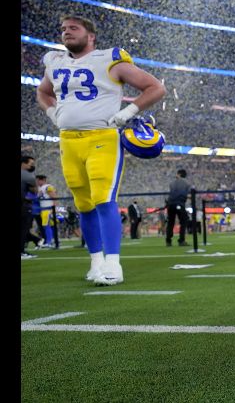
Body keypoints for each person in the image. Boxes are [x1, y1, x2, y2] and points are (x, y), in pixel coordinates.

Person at [36, 15, 166, 284]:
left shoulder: (110, 58)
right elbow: (43, 92)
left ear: (91, 35)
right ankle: (95, 263)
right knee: (83, 205)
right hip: (69, 141)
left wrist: (128, 111)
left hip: (102, 139)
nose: (66, 33)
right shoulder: (55, 62)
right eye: (63, 29)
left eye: (73, 28)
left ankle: (113, 265)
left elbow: (155, 88)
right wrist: (53, 115)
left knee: (104, 200)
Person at [166, 169, 191, 247]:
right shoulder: (187, 183)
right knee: (183, 221)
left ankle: (168, 240)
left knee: (170, 222)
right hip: (180, 204)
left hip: (171, 204)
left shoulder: (172, 183)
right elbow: (189, 195)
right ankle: (181, 240)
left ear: (179, 174)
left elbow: (168, 195)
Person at [21, 155, 39, 259]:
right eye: (30, 164)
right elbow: (35, 192)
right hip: (23, 206)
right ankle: (21, 251)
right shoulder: (28, 175)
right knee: (23, 229)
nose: (32, 166)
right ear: (23, 163)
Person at [36, 175, 58, 248]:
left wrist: (54, 208)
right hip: (44, 209)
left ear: (43, 180)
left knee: (46, 225)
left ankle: (49, 242)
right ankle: (55, 241)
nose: (37, 182)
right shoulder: (40, 188)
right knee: (51, 225)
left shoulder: (47, 187)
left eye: (38, 180)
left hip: (48, 209)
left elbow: (54, 196)